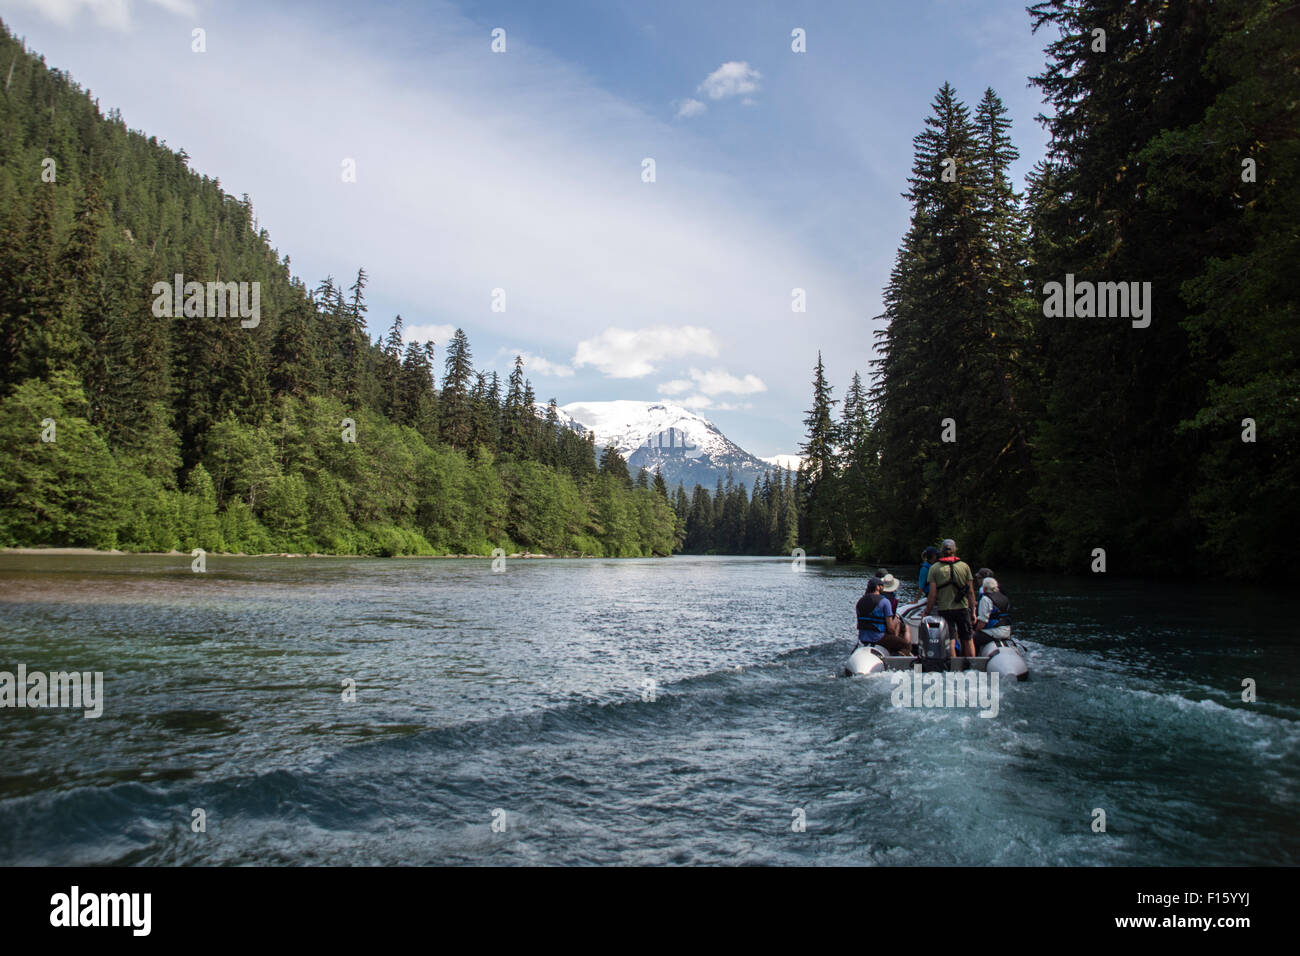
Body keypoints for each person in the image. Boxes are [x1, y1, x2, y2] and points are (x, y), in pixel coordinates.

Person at [923, 538, 977, 657]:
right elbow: (971, 592)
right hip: (962, 608)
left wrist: (927, 611)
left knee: (951, 640)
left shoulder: (934, 568)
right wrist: (973, 611)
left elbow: (932, 595)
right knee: (968, 639)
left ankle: (954, 669)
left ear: (941, 551)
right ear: (955, 550)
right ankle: (972, 665)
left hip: (945, 609)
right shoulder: (964, 567)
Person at [856, 577, 910, 655]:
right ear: (878, 587)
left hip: (862, 638)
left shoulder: (860, 601)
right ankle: (914, 666)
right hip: (878, 639)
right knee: (906, 646)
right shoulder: (884, 602)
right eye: (881, 585)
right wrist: (895, 636)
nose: (883, 587)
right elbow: (890, 628)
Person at [973, 577, 1012, 650]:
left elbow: (982, 622)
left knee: (971, 638)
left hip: (995, 632)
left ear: (984, 588)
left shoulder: (985, 599)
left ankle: (973, 657)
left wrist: (975, 631)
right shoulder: (1004, 597)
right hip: (1007, 631)